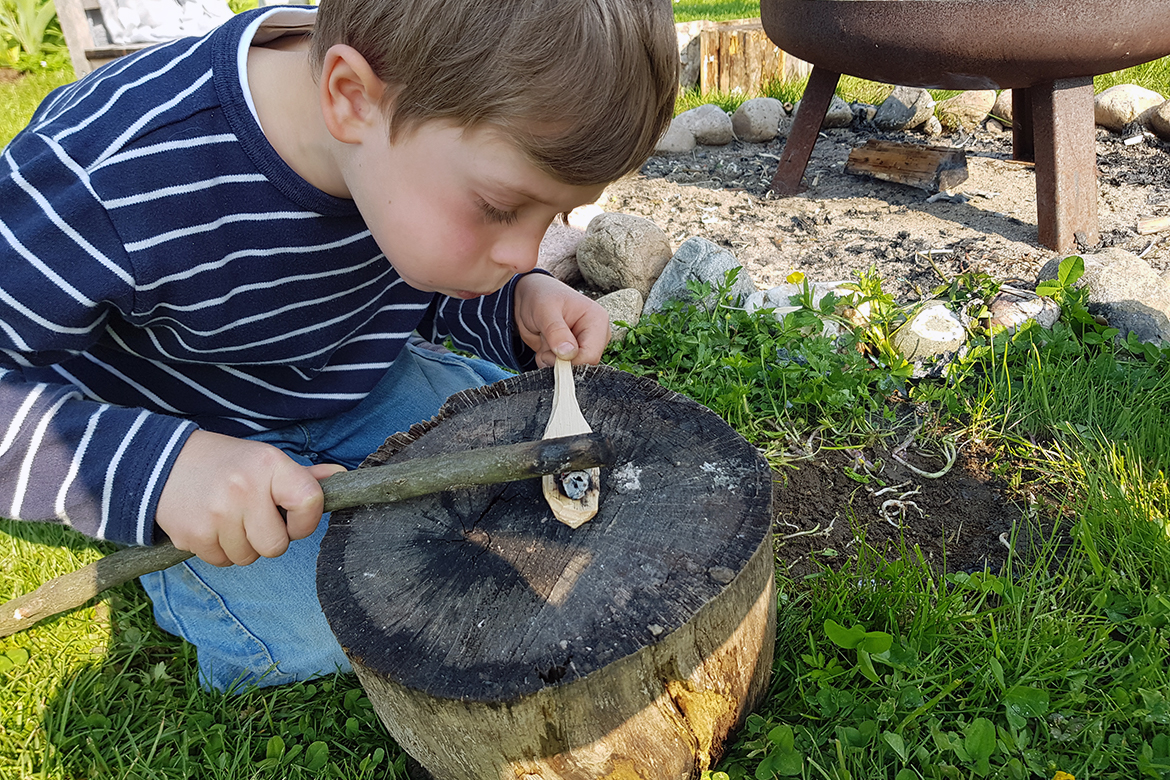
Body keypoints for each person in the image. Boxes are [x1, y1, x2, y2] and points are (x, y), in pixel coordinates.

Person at [0, 0, 677, 692]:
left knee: (525, 469)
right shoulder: (108, 177)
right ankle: (196, 573)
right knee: (334, 622)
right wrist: (162, 472)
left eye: (553, 215)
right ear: (349, 98)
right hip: (196, 429)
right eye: (501, 208)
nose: (524, 249)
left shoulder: (399, 122)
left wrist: (518, 299)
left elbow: (415, 259)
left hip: (353, 377)